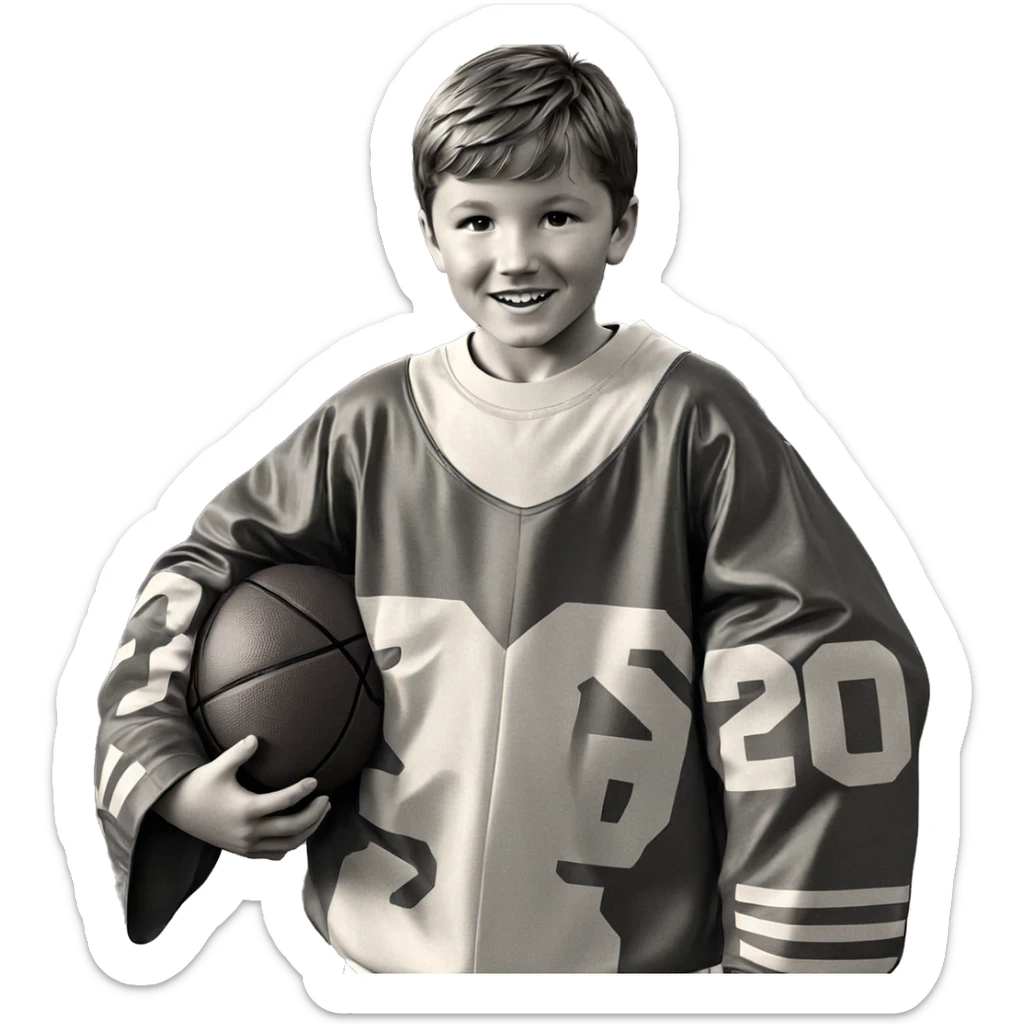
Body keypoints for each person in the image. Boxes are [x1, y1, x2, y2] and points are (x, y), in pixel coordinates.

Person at [93, 43, 929, 974]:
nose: (516, 254)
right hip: (373, 971)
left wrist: (791, 973)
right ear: (429, 233)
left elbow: (817, 666)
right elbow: (200, 575)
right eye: (478, 219)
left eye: (558, 215)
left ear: (623, 226)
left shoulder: (698, 422)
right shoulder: (365, 427)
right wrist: (166, 776)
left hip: (632, 982)